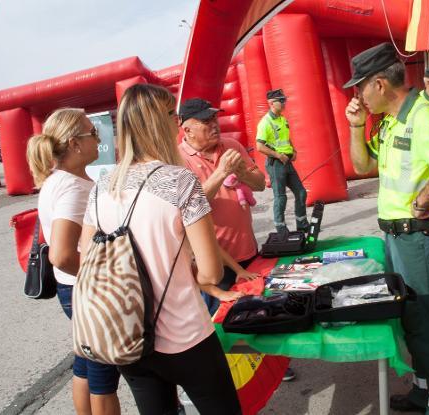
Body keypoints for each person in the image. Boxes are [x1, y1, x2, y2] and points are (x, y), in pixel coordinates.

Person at [78, 84, 241, 415]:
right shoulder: (180, 182)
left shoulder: (101, 189)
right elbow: (212, 272)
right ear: (160, 122)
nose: (177, 122)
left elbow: (87, 259)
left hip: (129, 335)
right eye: (173, 115)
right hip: (186, 336)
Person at [344, 43, 429, 414]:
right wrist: (355, 127)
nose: (359, 96)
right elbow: (361, 164)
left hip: (419, 235)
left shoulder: (421, 115)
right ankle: (424, 390)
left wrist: (423, 200)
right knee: (413, 318)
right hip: (399, 236)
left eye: (360, 87)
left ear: (380, 84)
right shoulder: (391, 120)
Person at [178, 98, 296, 381]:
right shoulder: (177, 159)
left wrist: (241, 171)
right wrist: (221, 173)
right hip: (211, 262)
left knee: (255, 313)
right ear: (186, 130)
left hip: (247, 250)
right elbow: (188, 207)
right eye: (205, 122)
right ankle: (225, 381)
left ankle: (267, 368)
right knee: (217, 325)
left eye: (214, 119)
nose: (214, 125)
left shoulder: (232, 146)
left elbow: (258, 184)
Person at [26, 108, 121, 415]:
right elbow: (62, 254)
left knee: (85, 363)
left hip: (74, 289)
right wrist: (105, 278)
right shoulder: (72, 188)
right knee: (103, 376)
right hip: (88, 291)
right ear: (74, 143)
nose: (98, 139)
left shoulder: (59, 180)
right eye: (92, 134)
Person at [255, 89, 309, 234]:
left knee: (301, 192)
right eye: (282, 101)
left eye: (285, 100)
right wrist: (278, 155)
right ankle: (280, 227)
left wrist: (293, 150)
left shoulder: (282, 119)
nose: (285, 103)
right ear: (272, 103)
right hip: (276, 164)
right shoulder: (265, 123)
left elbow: (286, 138)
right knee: (281, 197)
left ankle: (302, 223)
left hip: (287, 162)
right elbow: (259, 146)